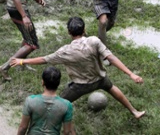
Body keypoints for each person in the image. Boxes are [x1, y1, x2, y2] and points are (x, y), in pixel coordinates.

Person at [10, 17, 146, 119]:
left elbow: (44, 59)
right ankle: (134, 111)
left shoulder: (65, 51)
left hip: (80, 86)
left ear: (69, 32)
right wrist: (131, 74)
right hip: (100, 79)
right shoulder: (94, 41)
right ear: (84, 29)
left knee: (58, 103)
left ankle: (42, 121)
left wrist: (23, 61)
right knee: (112, 88)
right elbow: (111, 58)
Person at [18, 66, 76, 135]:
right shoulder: (66, 105)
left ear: (43, 82)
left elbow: (23, 127)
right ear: (58, 83)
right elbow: (67, 132)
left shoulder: (30, 101)